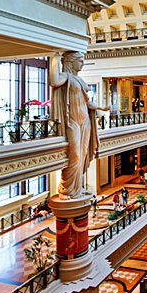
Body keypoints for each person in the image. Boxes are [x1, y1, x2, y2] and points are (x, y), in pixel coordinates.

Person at [49, 52, 100, 199]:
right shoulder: (66, 76)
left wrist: (101, 107)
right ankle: (66, 189)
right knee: (75, 154)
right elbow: (54, 80)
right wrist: (55, 58)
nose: (82, 64)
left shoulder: (80, 80)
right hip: (72, 121)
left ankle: (78, 187)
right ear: (71, 62)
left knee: (83, 154)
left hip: (85, 121)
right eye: (80, 61)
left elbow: (86, 102)